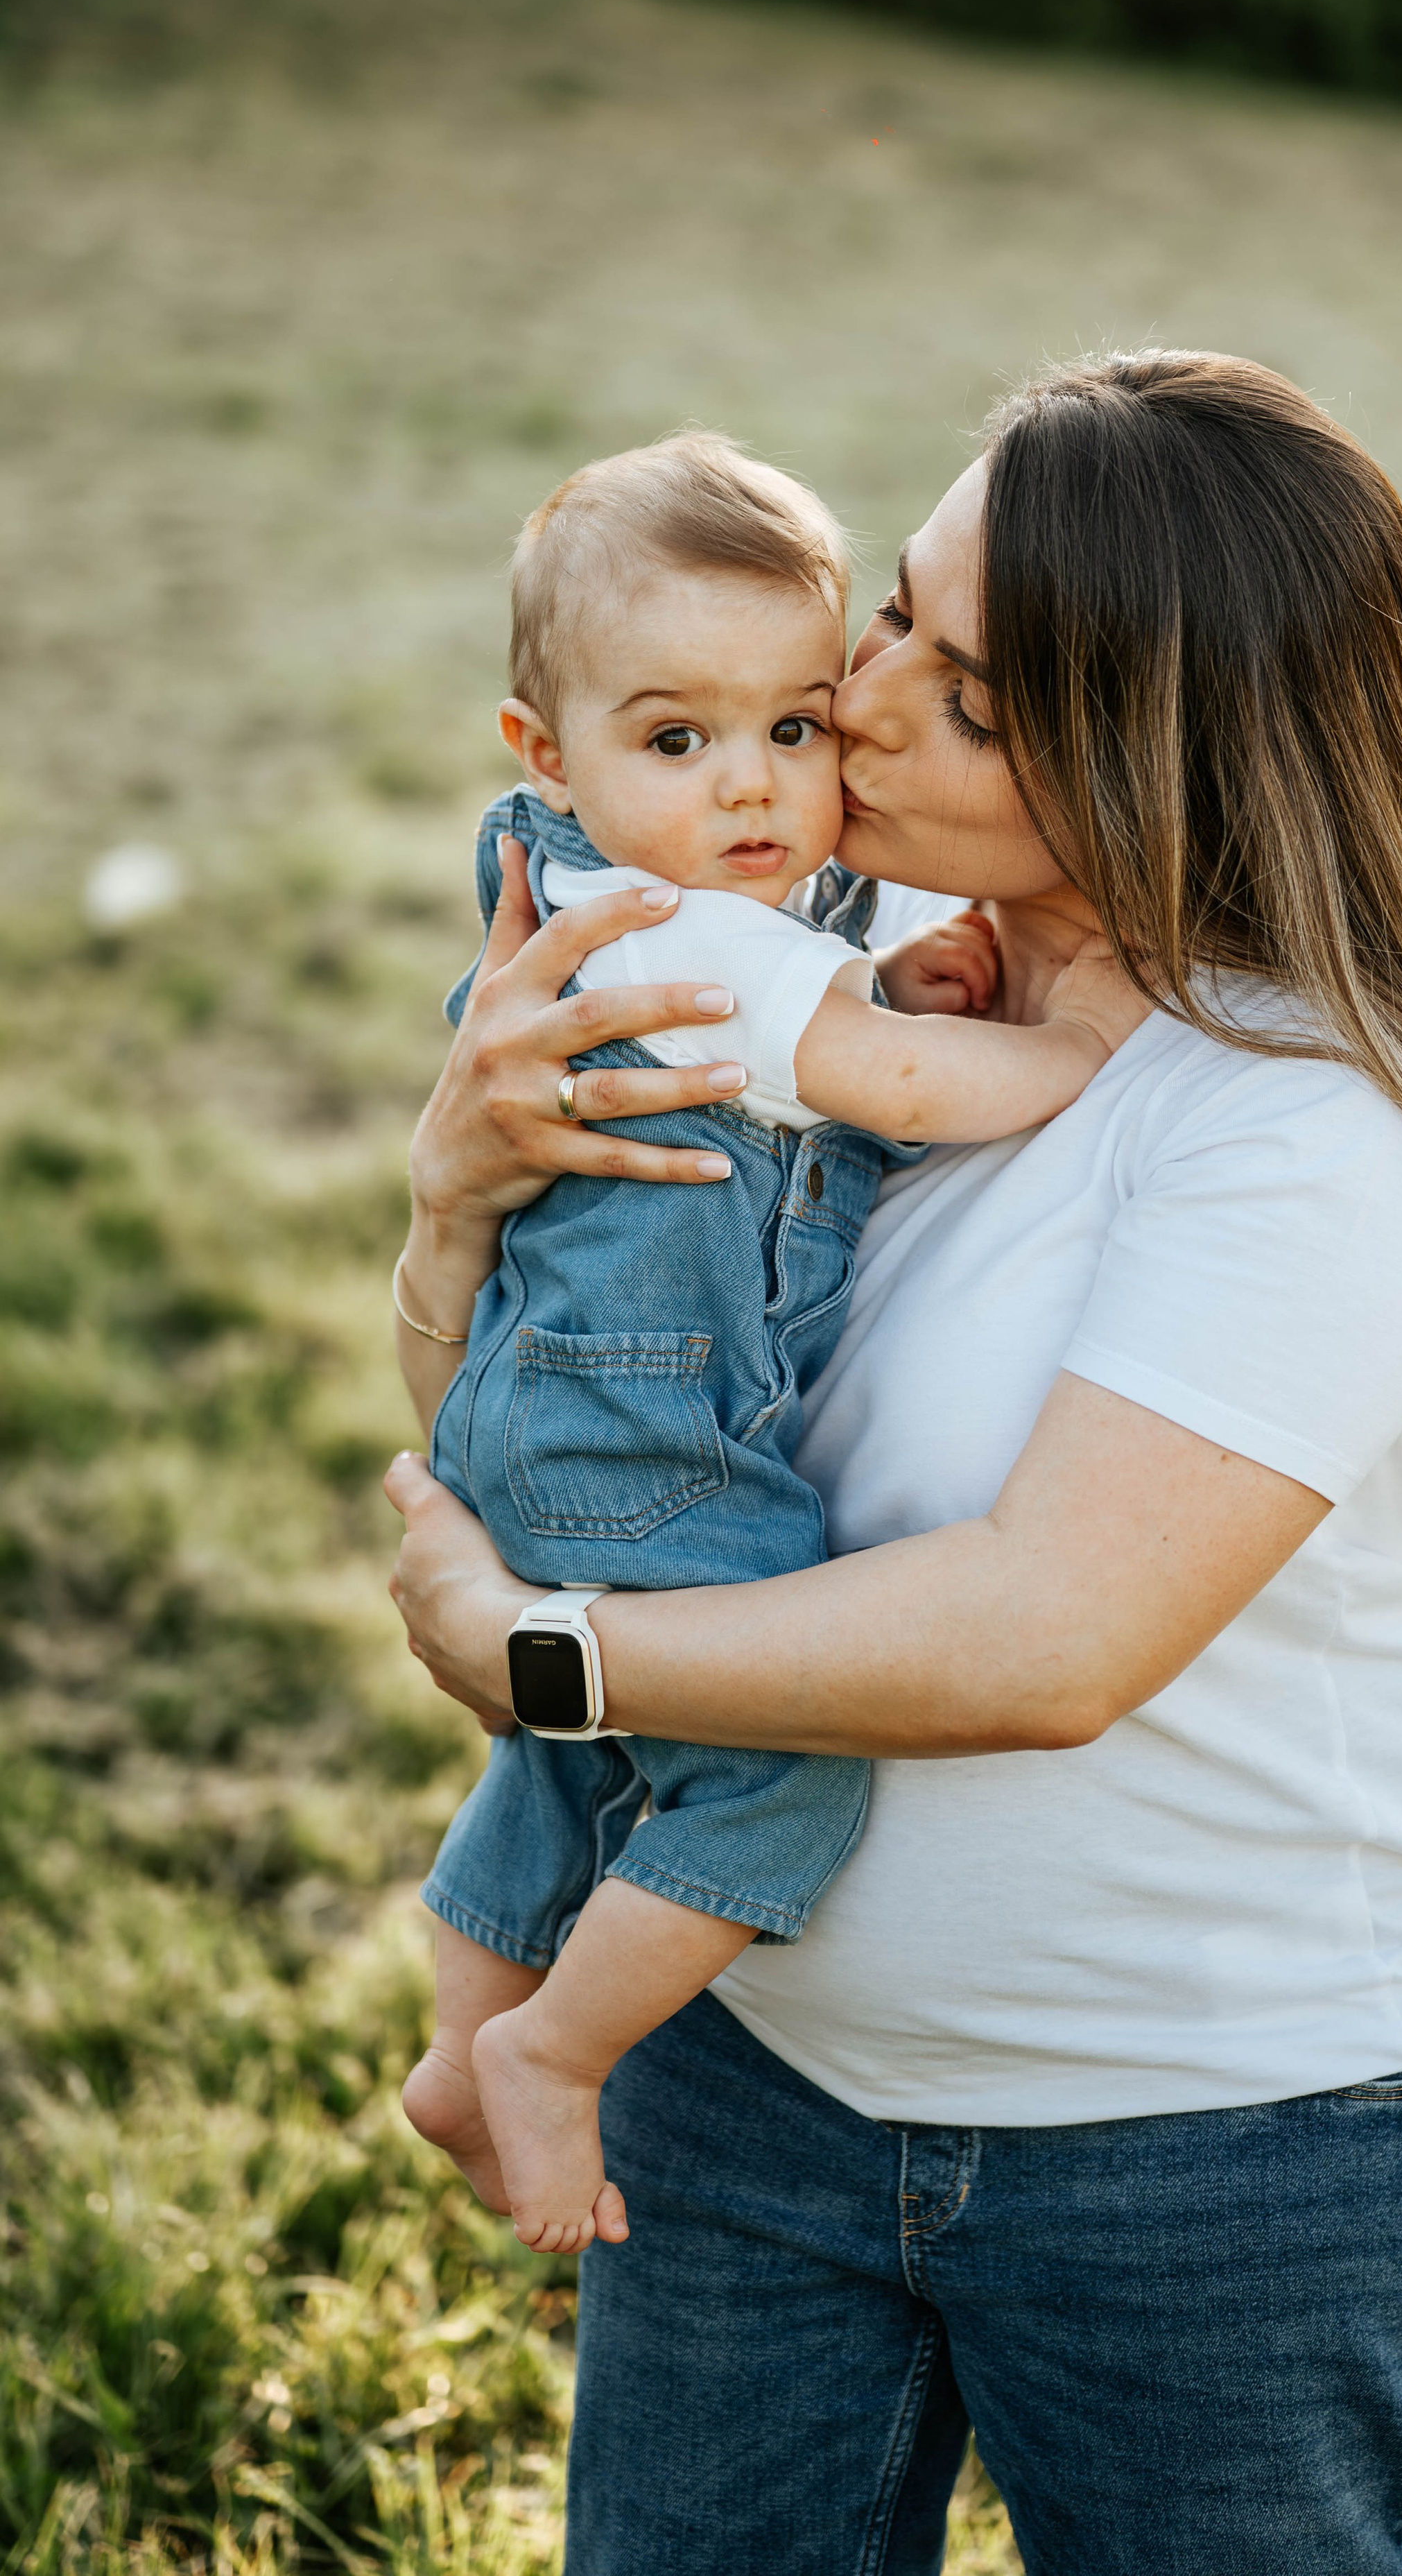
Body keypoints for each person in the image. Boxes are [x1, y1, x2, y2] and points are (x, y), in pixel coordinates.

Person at [384, 350, 1402, 2576]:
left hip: (1203, 2156)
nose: (857, 701)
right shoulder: (836, 981)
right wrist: (457, 1189)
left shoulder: (1315, 1117)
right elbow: (503, 1398)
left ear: (1165, 756)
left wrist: (548, 1664)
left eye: (972, 687)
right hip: (747, 2081)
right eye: (898, 610)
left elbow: (1046, 1641)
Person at [398, 431, 1139, 2258]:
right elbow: (878, 1085)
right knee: (771, 1768)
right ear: (542, 753)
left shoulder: (636, 890)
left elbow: (827, 1054)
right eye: (677, 742)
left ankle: (453, 2041)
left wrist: (887, 981)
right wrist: (1072, 1057)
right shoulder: (683, 932)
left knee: (573, 1752)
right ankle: (557, 2057)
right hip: (642, 1433)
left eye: (791, 729)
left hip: (553, 1409)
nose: (752, 788)